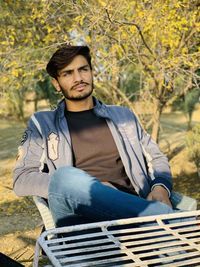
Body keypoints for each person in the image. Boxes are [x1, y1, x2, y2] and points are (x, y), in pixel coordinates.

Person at [13, 44, 176, 228]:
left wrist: (160, 188)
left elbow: (156, 157)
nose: (78, 78)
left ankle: (162, 223)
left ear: (91, 72)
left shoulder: (123, 116)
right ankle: (172, 220)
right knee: (65, 177)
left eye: (83, 69)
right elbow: (22, 179)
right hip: (80, 218)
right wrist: (89, 190)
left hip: (131, 210)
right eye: (68, 73)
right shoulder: (42, 123)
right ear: (56, 84)